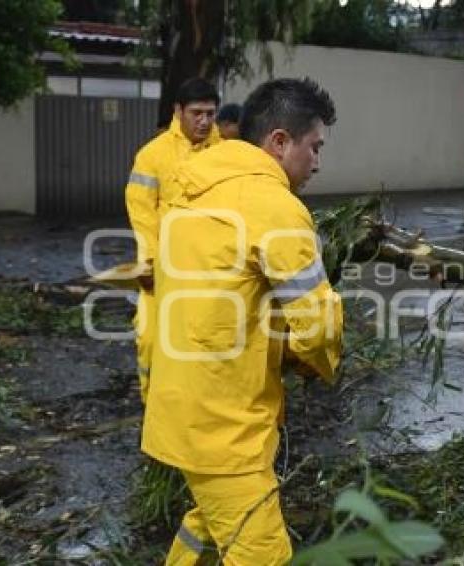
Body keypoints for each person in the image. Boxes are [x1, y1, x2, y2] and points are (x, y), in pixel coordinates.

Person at [142, 77, 342, 564]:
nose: (317, 161)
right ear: (278, 141)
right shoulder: (276, 208)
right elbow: (316, 325)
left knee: (207, 523)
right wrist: (322, 362)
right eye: (313, 146)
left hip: (184, 405)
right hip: (225, 425)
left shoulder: (190, 192)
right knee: (262, 553)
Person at [124, 77, 221, 403]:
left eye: (210, 113)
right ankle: (153, 407)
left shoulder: (226, 156)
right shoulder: (153, 155)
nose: (205, 121)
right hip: (164, 270)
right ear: (178, 111)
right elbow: (141, 211)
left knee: (205, 344)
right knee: (152, 340)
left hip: (211, 270)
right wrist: (148, 260)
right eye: (197, 113)